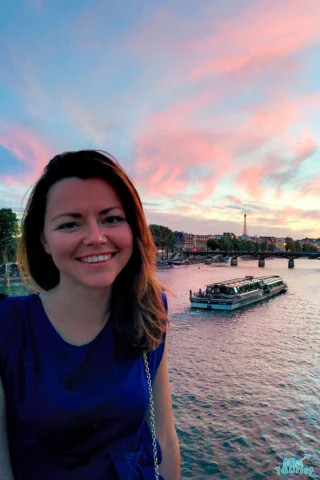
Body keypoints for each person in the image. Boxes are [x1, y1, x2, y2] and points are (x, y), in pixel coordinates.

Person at [0, 150, 180, 480]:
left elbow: (165, 439)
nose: (96, 238)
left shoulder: (151, 309)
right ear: (43, 240)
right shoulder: (6, 326)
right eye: (70, 224)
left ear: (133, 228)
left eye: (111, 219)